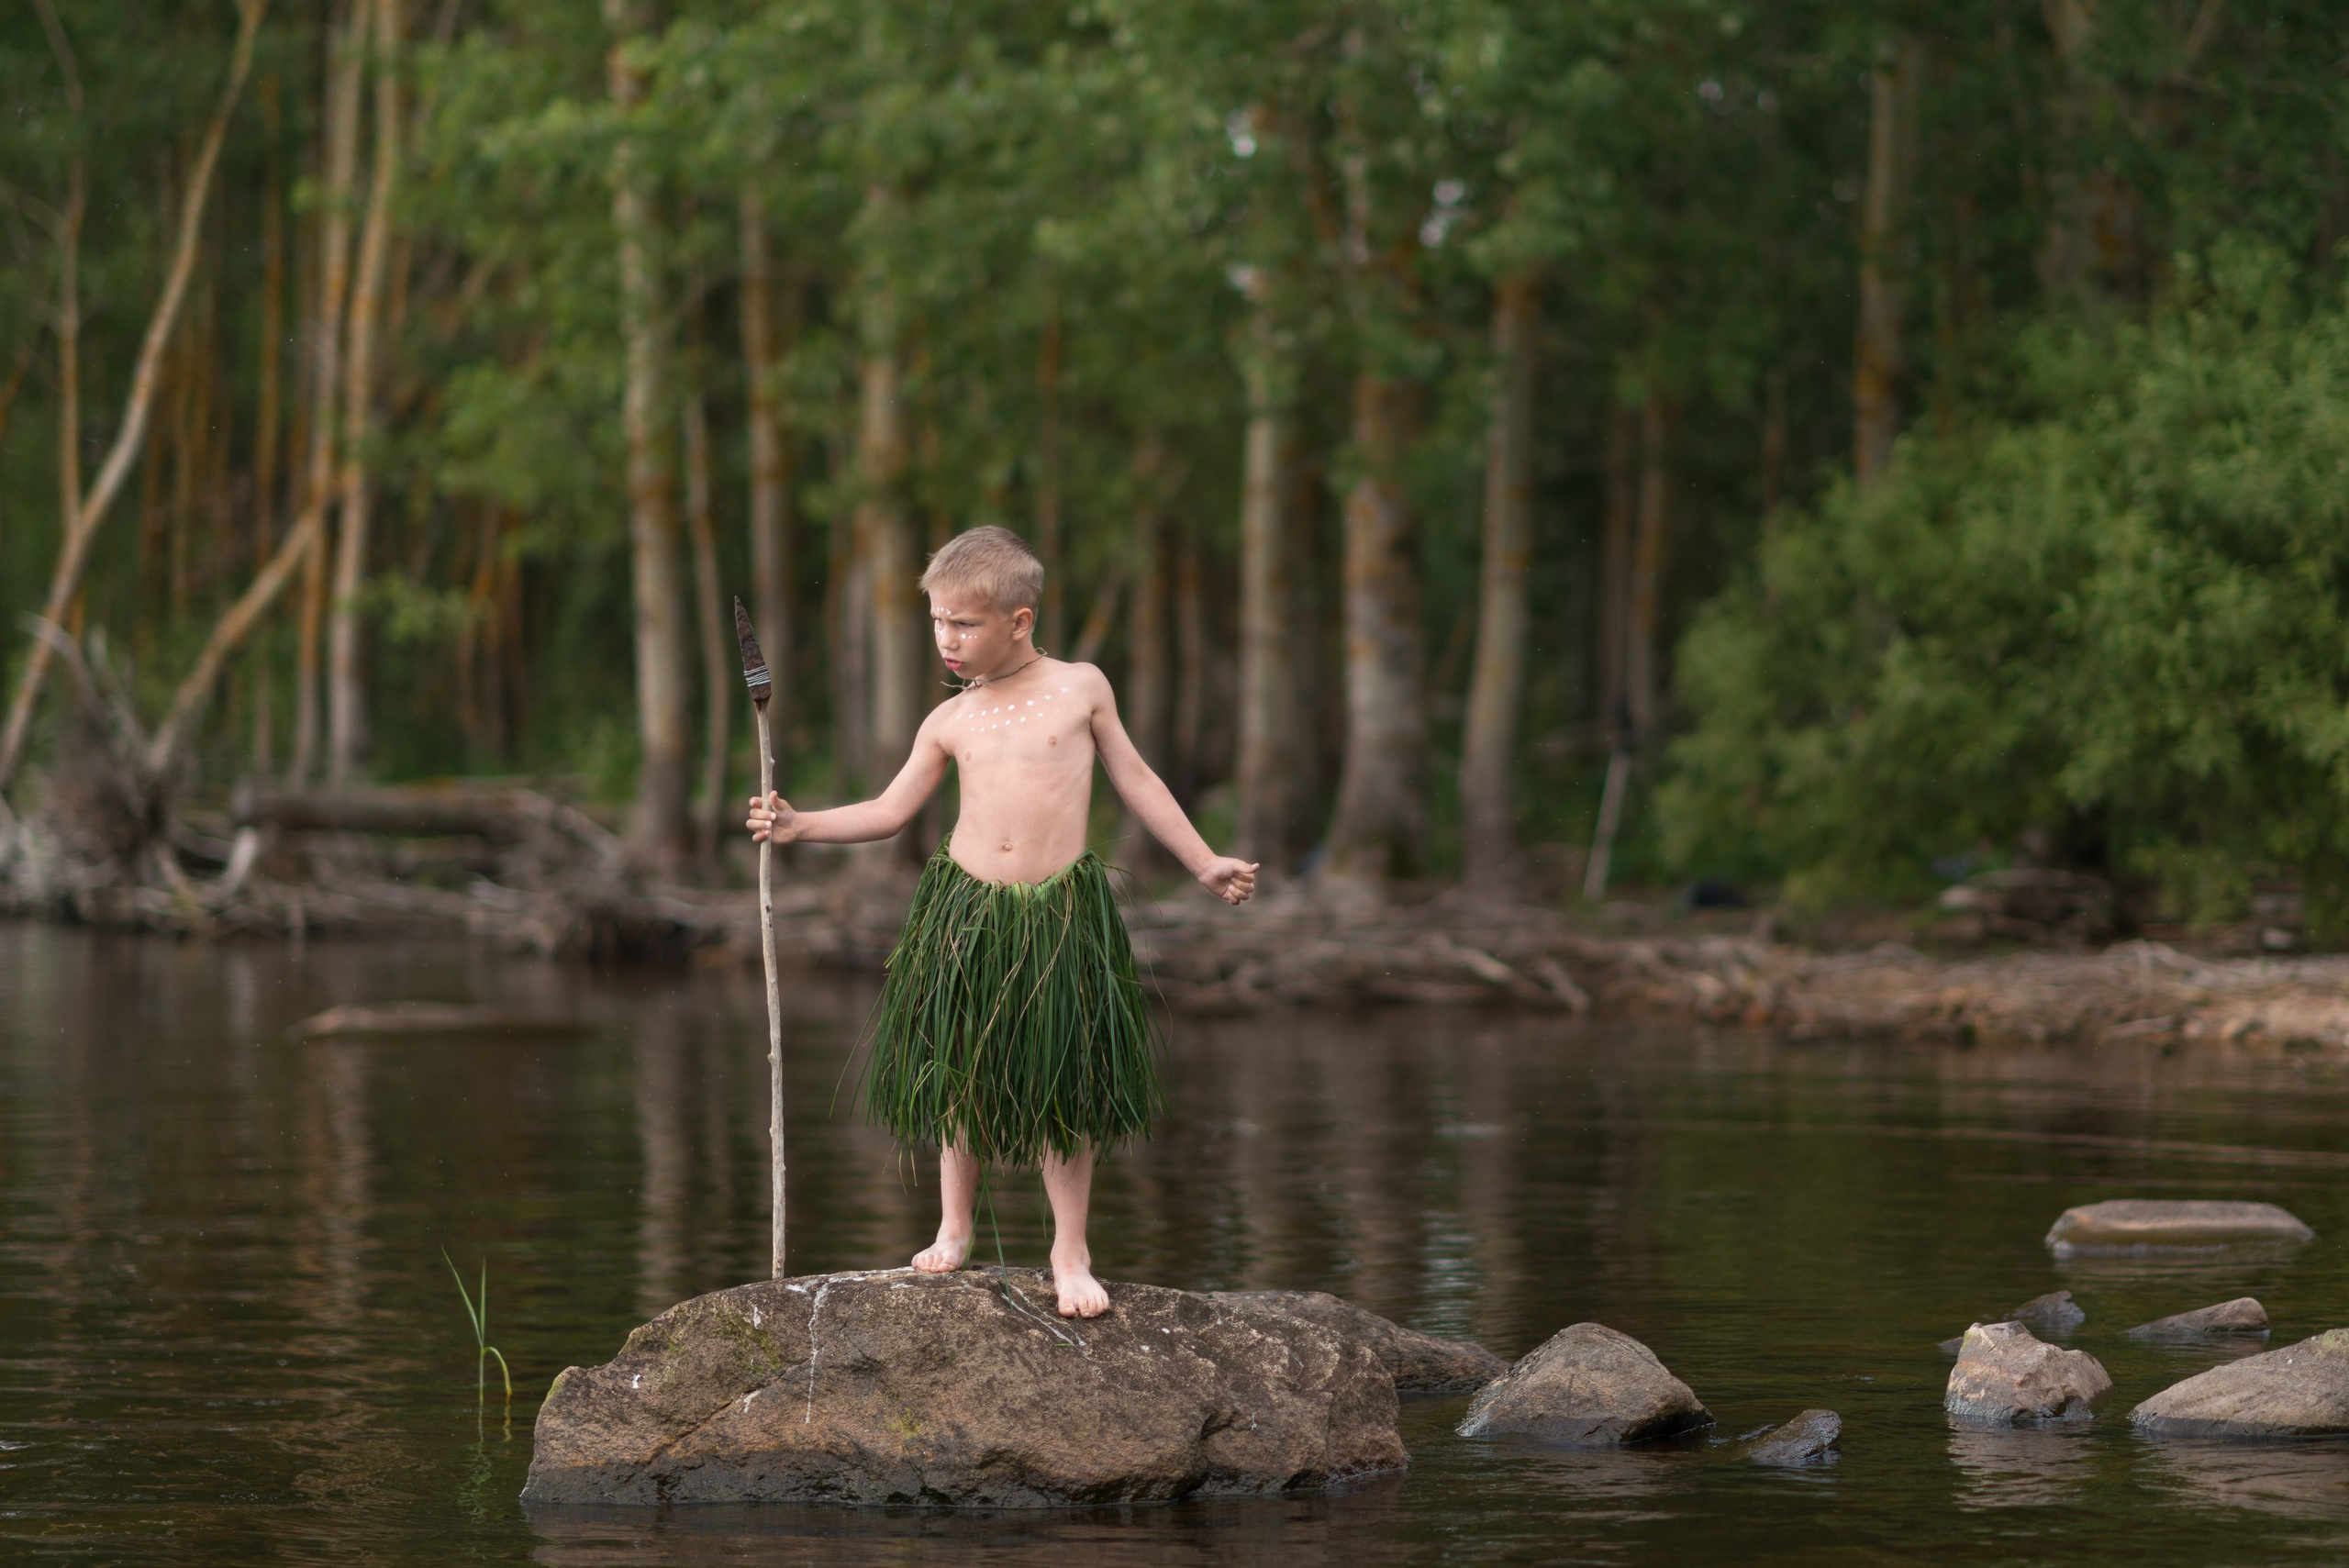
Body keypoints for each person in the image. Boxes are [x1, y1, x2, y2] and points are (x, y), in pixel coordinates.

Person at [747, 526, 1256, 1318]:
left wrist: (1202, 860)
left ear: (1019, 620)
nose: (947, 639)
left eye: (966, 623)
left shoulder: (1082, 687)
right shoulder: (950, 721)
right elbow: (889, 810)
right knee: (961, 1071)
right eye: (939, 622)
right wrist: (800, 825)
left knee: (1067, 1079)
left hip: (1059, 912)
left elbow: (1139, 779)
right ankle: (953, 1227)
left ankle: (1071, 1247)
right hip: (966, 910)